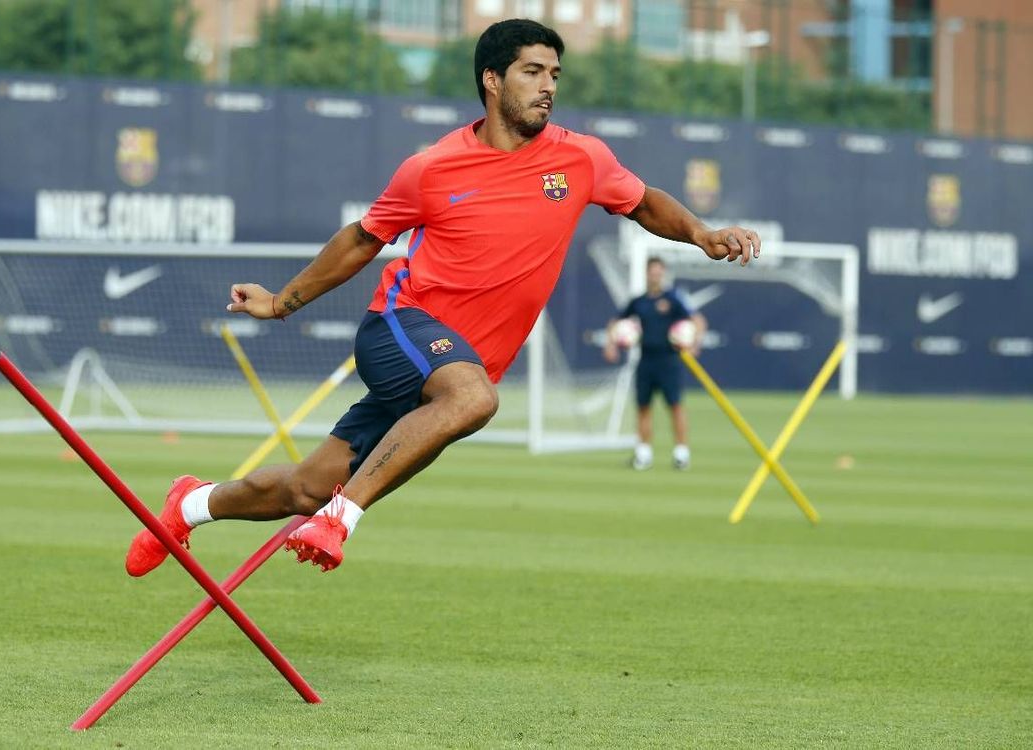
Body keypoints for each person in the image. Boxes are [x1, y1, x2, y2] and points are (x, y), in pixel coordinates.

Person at [125, 18, 761, 576]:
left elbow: (645, 202)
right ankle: (344, 518)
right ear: (491, 80)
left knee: (304, 490)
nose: (549, 86)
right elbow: (360, 239)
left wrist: (701, 234)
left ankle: (189, 504)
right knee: (474, 397)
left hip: (446, 376)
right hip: (400, 326)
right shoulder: (431, 168)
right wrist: (281, 302)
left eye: (555, 74)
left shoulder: (582, 158)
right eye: (532, 71)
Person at [603, 257, 706, 471]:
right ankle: (643, 454)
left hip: (669, 360)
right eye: (652, 272)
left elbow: (698, 320)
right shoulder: (639, 301)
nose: (655, 276)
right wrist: (611, 343)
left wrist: (695, 343)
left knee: (675, 407)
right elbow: (616, 321)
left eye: (659, 272)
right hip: (646, 360)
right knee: (643, 407)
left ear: (664, 274)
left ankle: (681, 453)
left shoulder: (674, 299)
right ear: (647, 274)